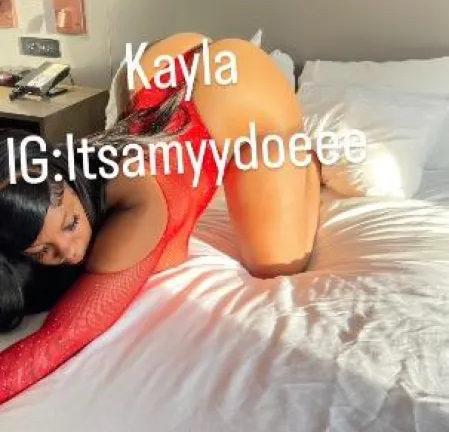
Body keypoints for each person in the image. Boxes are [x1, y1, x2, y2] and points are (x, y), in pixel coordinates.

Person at [0, 33, 321, 405]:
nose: (70, 253)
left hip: (245, 84)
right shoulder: (57, 187)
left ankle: (309, 158)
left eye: (71, 224)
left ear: (66, 177)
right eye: (43, 251)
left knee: (277, 265)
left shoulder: (138, 207)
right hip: (164, 74)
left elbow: (57, 341)